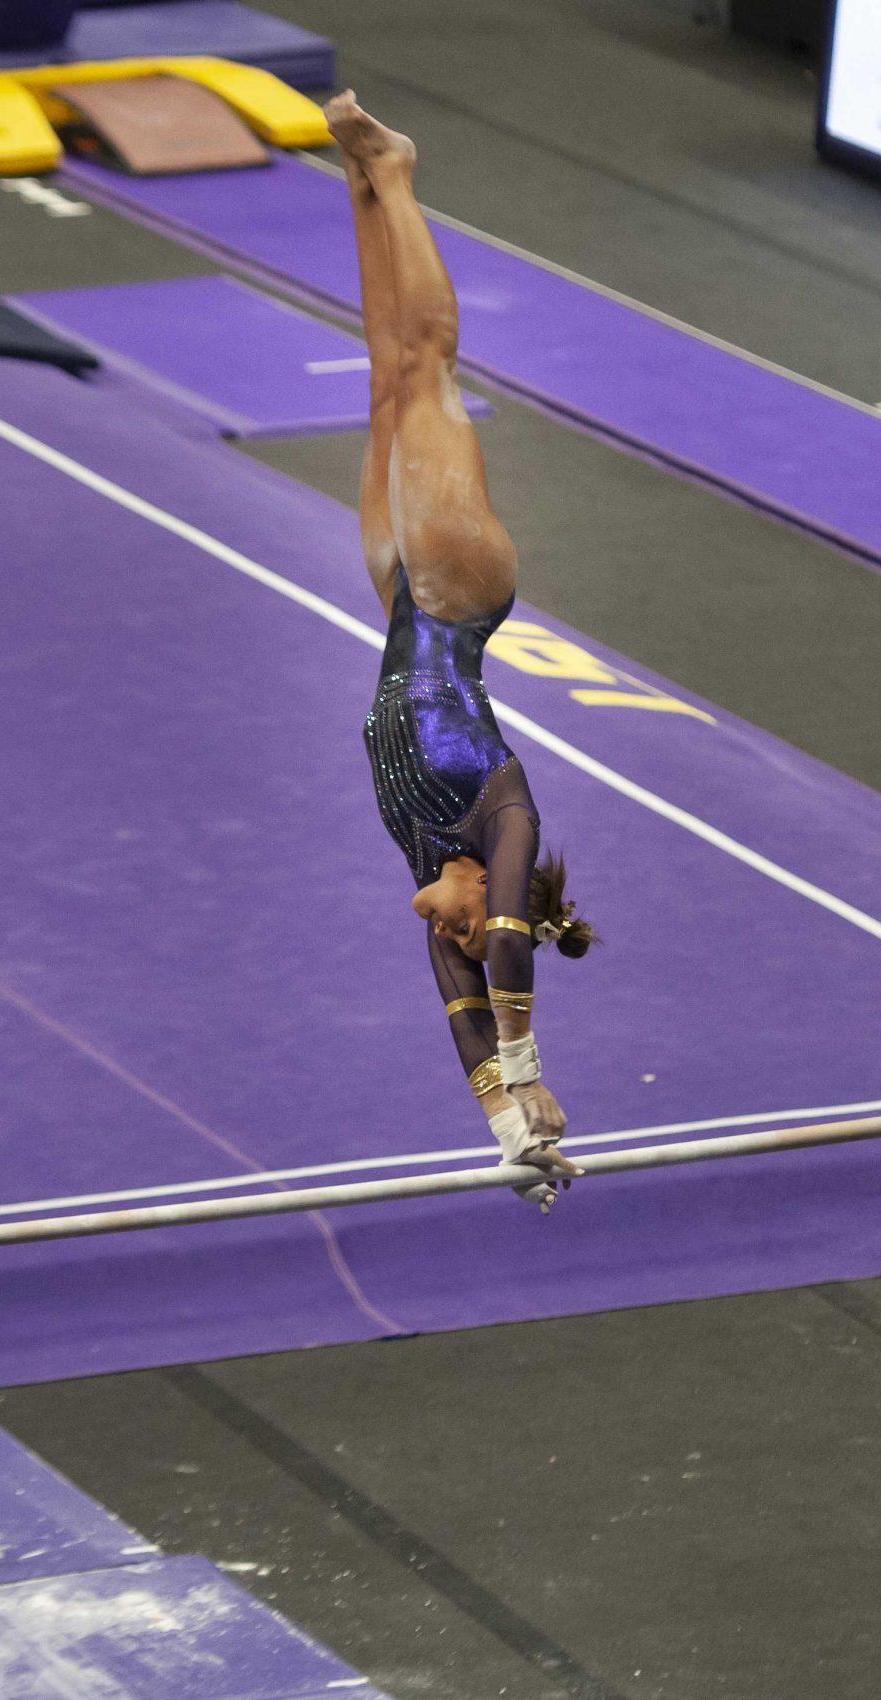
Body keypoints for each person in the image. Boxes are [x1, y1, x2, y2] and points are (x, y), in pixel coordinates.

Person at [326, 91, 594, 1210]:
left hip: (396, 595)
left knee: (383, 377)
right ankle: (400, 169)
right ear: (490, 892)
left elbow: (465, 1010)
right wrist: (538, 1076)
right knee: (427, 364)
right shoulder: (499, 817)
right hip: (453, 593)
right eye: (467, 922)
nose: (424, 920)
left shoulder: (428, 867)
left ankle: (361, 185)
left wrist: (510, 1130)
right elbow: (508, 955)